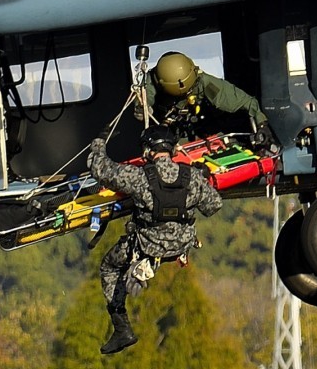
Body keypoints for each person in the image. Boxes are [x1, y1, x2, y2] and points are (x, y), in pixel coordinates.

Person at [88, 124, 223, 355]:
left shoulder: (139, 177)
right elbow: (213, 206)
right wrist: (203, 178)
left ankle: (122, 328)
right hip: (181, 246)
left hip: (147, 247)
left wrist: (100, 142)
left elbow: (100, 169)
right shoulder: (191, 177)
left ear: (149, 150)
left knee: (109, 267)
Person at [140, 51, 271, 144]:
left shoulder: (203, 82)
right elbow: (144, 102)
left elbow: (245, 101)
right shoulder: (151, 82)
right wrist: (141, 109)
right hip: (167, 135)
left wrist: (261, 124)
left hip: (201, 130)